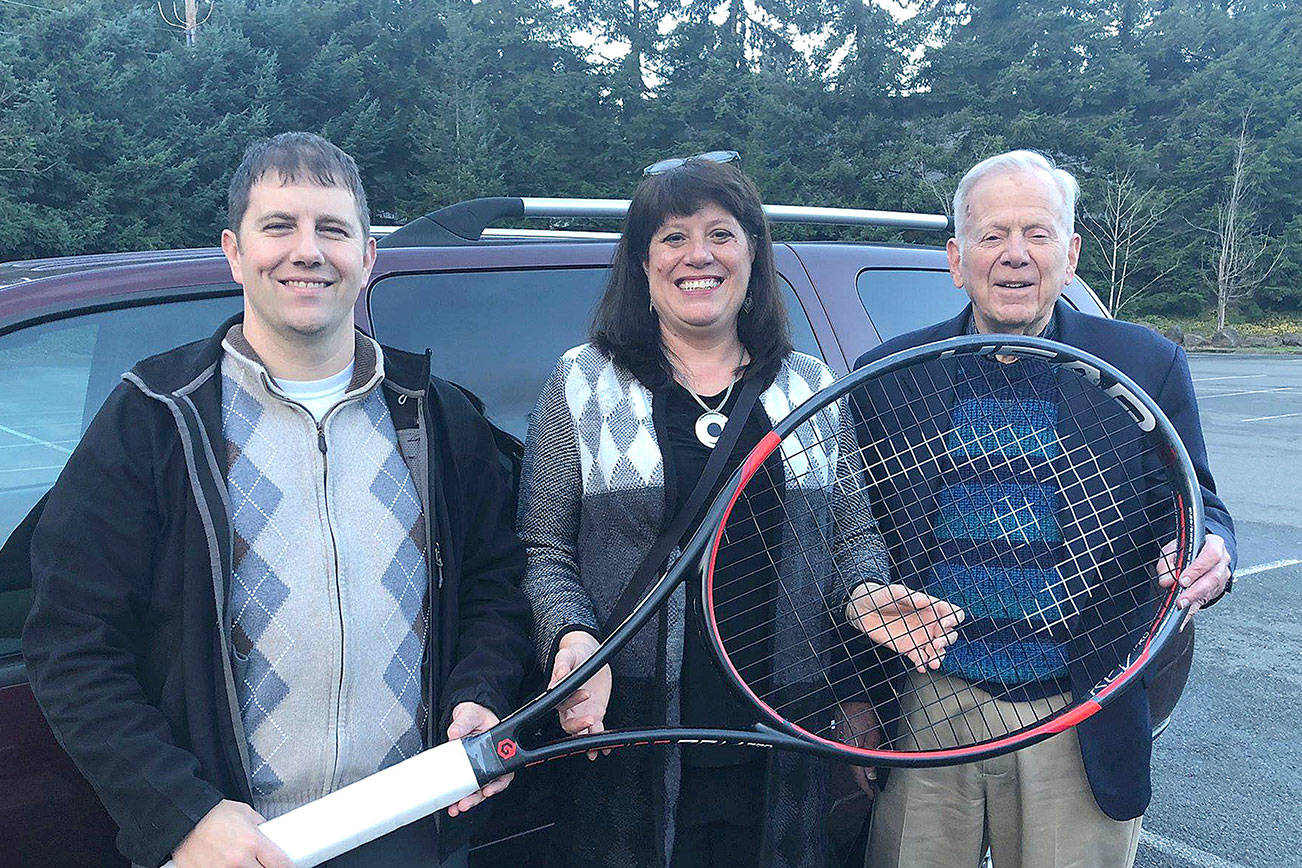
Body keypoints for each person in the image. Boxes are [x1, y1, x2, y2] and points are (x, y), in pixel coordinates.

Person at [22, 132, 532, 868]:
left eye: (332, 228)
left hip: (413, 829)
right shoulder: (157, 416)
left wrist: (481, 690)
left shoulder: (436, 415)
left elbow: (493, 587)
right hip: (234, 845)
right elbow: (71, 643)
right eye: (278, 226)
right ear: (234, 251)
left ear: (367, 258)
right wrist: (179, 814)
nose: (307, 251)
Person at [849, 149, 1236, 868]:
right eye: (992, 235)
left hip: (1077, 706)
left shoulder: (1146, 365)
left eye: (1037, 232)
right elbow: (854, 542)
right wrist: (859, 701)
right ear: (956, 259)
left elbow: (1199, 504)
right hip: (930, 708)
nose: (1015, 255)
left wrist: (1211, 547)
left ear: (1071, 252)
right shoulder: (887, 377)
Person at [516, 154, 891, 868]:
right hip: (625, 730)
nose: (699, 256)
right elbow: (544, 551)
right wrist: (568, 635)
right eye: (672, 236)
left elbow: (853, 537)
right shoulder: (582, 382)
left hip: (783, 727)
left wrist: (869, 594)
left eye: (721, 233)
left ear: (753, 251)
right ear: (641, 260)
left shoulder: (810, 385)